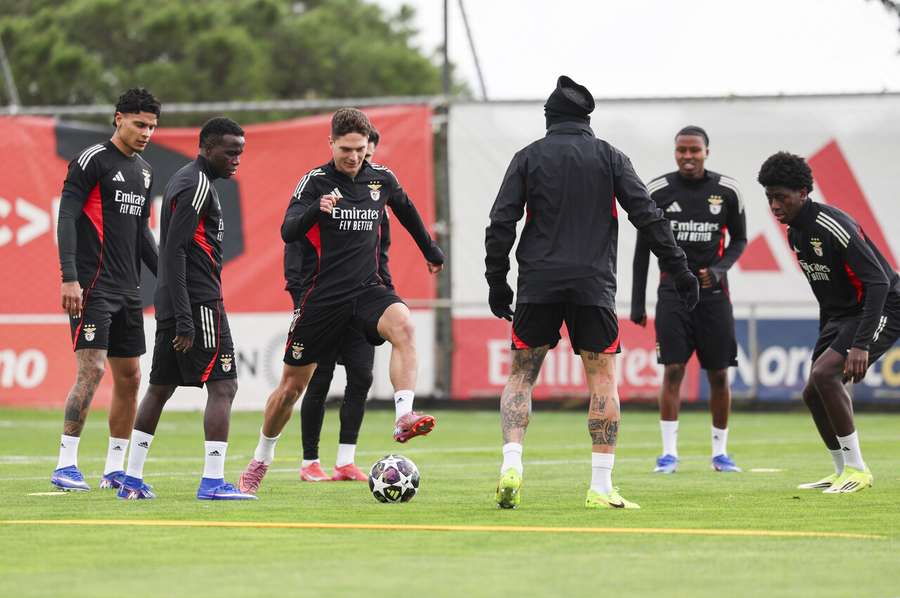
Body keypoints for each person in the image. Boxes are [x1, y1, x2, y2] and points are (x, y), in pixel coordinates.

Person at [485, 76, 698, 510]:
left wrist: (496, 279)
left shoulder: (528, 157)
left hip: (538, 283)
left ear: (549, 119)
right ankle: (600, 487)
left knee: (521, 375)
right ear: (587, 119)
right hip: (592, 284)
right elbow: (648, 216)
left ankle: (512, 463)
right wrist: (680, 268)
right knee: (602, 379)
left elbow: (501, 223)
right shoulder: (610, 157)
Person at [238, 108, 444, 494]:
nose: (353, 157)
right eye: (345, 149)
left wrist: (430, 250)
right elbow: (287, 231)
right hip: (323, 297)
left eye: (360, 149)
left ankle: (403, 416)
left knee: (404, 324)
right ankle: (259, 460)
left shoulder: (381, 179)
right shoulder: (315, 183)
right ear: (330, 143)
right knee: (291, 389)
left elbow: (407, 210)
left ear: (369, 147)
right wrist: (316, 211)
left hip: (367, 289)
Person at [117, 117, 256, 500]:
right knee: (224, 385)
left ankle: (131, 479)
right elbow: (175, 250)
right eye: (230, 152)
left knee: (159, 389)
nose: (236, 160)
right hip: (197, 303)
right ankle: (212, 482)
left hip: (178, 302)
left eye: (240, 153)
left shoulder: (191, 181)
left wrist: (173, 308)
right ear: (207, 148)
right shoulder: (195, 184)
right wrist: (184, 316)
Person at [758, 151, 899, 494]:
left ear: (804, 192)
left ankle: (858, 469)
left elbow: (879, 282)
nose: (774, 205)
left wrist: (861, 344)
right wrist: (828, 337)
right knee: (813, 391)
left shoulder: (832, 225)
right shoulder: (795, 234)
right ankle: (840, 471)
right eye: (769, 197)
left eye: (781, 196)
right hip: (842, 315)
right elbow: (825, 291)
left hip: (882, 307)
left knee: (825, 375)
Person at [51, 88, 160, 492]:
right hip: (91, 286)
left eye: (151, 126)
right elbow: (67, 217)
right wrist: (69, 277)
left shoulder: (145, 171)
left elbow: (141, 233)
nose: (146, 132)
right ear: (118, 119)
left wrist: (166, 277)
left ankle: (115, 468)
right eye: (139, 124)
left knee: (130, 378)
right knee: (92, 369)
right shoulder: (92, 160)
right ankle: (65, 464)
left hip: (128, 289)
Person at [630, 126, 747, 474]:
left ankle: (720, 454)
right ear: (675, 152)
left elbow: (739, 240)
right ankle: (668, 454)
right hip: (673, 293)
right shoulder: (658, 191)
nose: (688, 157)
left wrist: (721, 268)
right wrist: (637, 304)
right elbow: (642, 251)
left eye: (694, 150)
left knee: (719, 374)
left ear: (707, 152)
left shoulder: (727, 191)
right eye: (682, 150)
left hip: (713, 295)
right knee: (674, 369)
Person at [286, 128, 390, 483]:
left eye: (366, 154)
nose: (360, 161)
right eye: (353, 151)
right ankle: (309, 461)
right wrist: (299, 293)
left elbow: (382, 253)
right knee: (320, 377)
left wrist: (384, 289)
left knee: (362, 375)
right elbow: (294, 240)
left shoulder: (377, 196)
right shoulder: (319, 188)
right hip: (323, 299)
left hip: (364, 300)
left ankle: (346, 460)